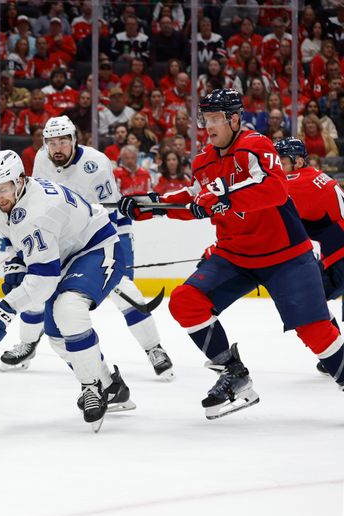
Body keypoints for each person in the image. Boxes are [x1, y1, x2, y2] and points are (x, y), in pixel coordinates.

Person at [118, 89, 344, 419]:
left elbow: (275, 188)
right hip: (235, 255)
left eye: (214, 119)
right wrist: (151, 205)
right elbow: (195, 197)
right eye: (205, 119)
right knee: (185, 302)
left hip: (287, 256)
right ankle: (233, 373)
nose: (207, 126)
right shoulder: (204, 160)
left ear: (234, 119)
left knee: (316, 332)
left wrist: (226, 196)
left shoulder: (256, 146)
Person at [0, 149, 135, 432]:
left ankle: (91, 387)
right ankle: (111, 386)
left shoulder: (39, 211)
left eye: (4, 188)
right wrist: (15, 263)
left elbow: (44, 280)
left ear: (21, 180)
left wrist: (5, 308)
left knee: (68, 309)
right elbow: (10, 231)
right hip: (64, 252)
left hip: (96, 247)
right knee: (58, 336)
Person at [0, 116, 173, 379]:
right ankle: (27, 344)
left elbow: (113, 214)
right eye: (51, 142)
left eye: (63, 141)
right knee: (36, 288)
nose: (57, 148)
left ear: (74, 140)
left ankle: (154, 348)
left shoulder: (96, 163)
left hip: (96, 236)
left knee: (126, 291)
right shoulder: (42, 159)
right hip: (61, 238)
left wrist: (119, 256)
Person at [275, 138, 344, 374]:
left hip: (340, 256)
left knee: (307, 300)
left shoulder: (295, 182)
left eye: (281, 162)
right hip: (336, 254)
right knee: (311, 297)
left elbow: (275, 221)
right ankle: (335, 350)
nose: (277, 168)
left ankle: (335, 352)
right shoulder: (313, 176)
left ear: (299, 161)